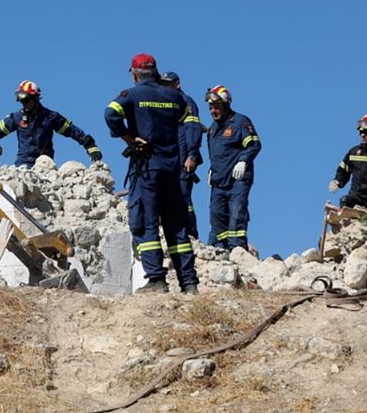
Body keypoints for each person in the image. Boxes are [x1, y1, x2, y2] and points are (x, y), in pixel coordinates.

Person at [105, 53, 199, 294]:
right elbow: (188, 118)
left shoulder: (132, 94)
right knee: (176, 226)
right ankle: (189, 282)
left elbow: (111, 113)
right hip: (172, 169)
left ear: (135, 74)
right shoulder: (174, 96)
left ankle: (157, 280)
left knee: (145, 222)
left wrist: (128, 138)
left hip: (146, 168)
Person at [0, 80, 102, 167]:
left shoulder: (50, 117)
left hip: (45, 166)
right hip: (23, 166)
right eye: (20, 100)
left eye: (26, 100)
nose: (23, 104)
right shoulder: (17, 118)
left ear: (36, 99)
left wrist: (90, 145)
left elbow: (72, 131)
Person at [205, 85, 261, 252]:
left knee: (236, 211)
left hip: (238, 179)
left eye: (217, 107)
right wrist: (211, 170)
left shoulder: (240, 122)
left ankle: (237, 247)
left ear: (226, 104)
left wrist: (243, 161)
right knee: (216, 213)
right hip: (219, 179)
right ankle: (219, 246)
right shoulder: (213, 129)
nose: (213, 111)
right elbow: (217, 154)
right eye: (211, 108)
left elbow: (254, 144)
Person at [160, 71, 205, 239]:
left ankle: (190, 233)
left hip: (183, 159)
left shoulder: (186, 103)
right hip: (170, 159)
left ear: (177, 84)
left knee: (183, 197)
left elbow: (193, 129)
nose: (164, 88)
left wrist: (192, 155)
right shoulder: (168, 104)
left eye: (167, 84)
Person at [329, 113, 367, 208]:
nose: (362, 135)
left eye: (366, 132)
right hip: (356, 196)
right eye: (360, 132)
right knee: (345, 201)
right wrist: (337, 181)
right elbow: (343, 170)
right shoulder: (353, 152)